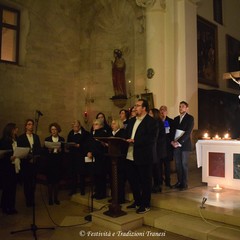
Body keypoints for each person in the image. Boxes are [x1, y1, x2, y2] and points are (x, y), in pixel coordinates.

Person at [125, 99, 157, 214]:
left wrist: (135, 141)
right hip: (130, 155)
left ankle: (146, 204)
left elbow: (151, 138)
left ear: (144, 108)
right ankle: (137, 201)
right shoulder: (132, 120)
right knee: (133, 181)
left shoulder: (151, 121)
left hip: (143, 156)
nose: (135, 108)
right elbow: (127, 135)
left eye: (138, 106)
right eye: (135, 106)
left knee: (145, 181)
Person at [17, 119, 41, 207]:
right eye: (29, 124)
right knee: (27, 183)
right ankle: (28, 200)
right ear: (26, 126)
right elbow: (20, 151)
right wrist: (28, 157)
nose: (31, 126)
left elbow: (38, 149)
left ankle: (32, 199)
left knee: (33, 183)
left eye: (32, 124)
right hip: (26, 163)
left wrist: (35, 157)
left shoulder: (36, 137)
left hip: (34, 163)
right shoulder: (21, 138)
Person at [171, 101, 194, 191]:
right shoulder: (176, 119)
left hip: (185, 144)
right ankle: (179, 181)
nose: (181, 108)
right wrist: (172, 141)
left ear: (187, 108)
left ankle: (184, 183)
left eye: (183, 106)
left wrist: (179, 141)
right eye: (180, 106)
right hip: (175, 144)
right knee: (177, 164)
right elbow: (172, 131)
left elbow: (188, 132)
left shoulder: (190, 118)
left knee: (184, 164)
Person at [87, 119, 110, 200]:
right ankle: (97, 192)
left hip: (101, 158)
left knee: (101, 176)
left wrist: (94, 152)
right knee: (95, 176)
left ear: (101, 125)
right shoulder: (92, 133)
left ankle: (102, 193)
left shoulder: (103, 133)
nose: (94, 125)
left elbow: (101, 147)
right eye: (93, 124)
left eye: (96, 124)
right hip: (94, 158)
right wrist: (89, 151)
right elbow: (90, 144)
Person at [67, 120, 90, 196]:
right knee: (73, 174)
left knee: (82, 174)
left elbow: (88, 145)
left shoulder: (85, 134)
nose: (74, 128)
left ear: (79, 126)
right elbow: (68, 144)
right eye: (73, 127)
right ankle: (73, 189)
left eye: (76, 126)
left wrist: (80, 146)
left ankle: (82, 189)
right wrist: (70, 145)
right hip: (72, 157)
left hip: (81, 156)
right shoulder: (70, 133)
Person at [44, 123, 65, 205]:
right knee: (50, 182)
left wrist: (60, 151)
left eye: (55, 129)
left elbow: (64, 151)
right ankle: (50, 199)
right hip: (50, 163)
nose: (53, 131)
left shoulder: (61, 139)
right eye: (52, 129)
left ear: (58, 130)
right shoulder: (47, 139)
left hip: (58, 163)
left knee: (57, 182)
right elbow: (44, 152)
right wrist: (48, 151)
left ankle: (56, 198)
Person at [0, 123, 19, 214]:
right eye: (15, 129)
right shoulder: (4, 141)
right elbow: (2, 155)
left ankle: (11, 207)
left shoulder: (15, 140)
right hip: (7, 168)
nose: (17, 130)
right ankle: (5, 207)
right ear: (10, 130)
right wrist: (9, 158)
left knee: (13, 188)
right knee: (7, 188)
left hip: (14, 166)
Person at [149, 108, 167, 193]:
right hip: (154, 149)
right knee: (154, 168)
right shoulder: (153, 123)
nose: (149, 115)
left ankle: (157, 185)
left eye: (151, 113)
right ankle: (155, 184)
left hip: (157, 149)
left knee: (157, 168)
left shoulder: (158, 123)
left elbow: (160, 137)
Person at [110, 119, 127, 204]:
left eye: (114, 123)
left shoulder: (122, 133)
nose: (112, 125)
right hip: (113, 158)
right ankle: (114, 197)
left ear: (118, 124)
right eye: (112, 124)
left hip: (120, 159)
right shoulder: (111, 133)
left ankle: (120, 198)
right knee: (114, 179)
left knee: (120, 179)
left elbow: (122, 144)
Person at [159, 105, 174, 187]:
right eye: (161, 110)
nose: (162, 111)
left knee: (167, 166)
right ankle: (160, 181)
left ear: (166, 111)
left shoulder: (170, 121)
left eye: (164, 110)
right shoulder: (157, 121)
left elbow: (171, 134)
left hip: (167, 147)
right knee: (159, 166)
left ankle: (168, 182)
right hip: (159, 148)